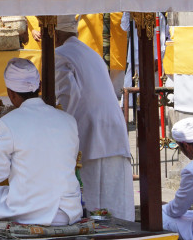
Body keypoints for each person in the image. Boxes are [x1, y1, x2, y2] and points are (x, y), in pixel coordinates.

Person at [0, 59, 83, 225]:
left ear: (10, 93)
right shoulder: (68, 120)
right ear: (39, 86)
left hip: (28, 213)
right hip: (67, 213)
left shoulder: (8, 123)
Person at [53, 14, 135, 220]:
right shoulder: (91, 53)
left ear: (54, 34)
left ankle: (99, 239)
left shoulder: (60, 55)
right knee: (114, 192)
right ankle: (122, 234)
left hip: (90, 132)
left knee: (93, 198)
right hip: (113, 128)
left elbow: (67, 98)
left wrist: (57, 131)